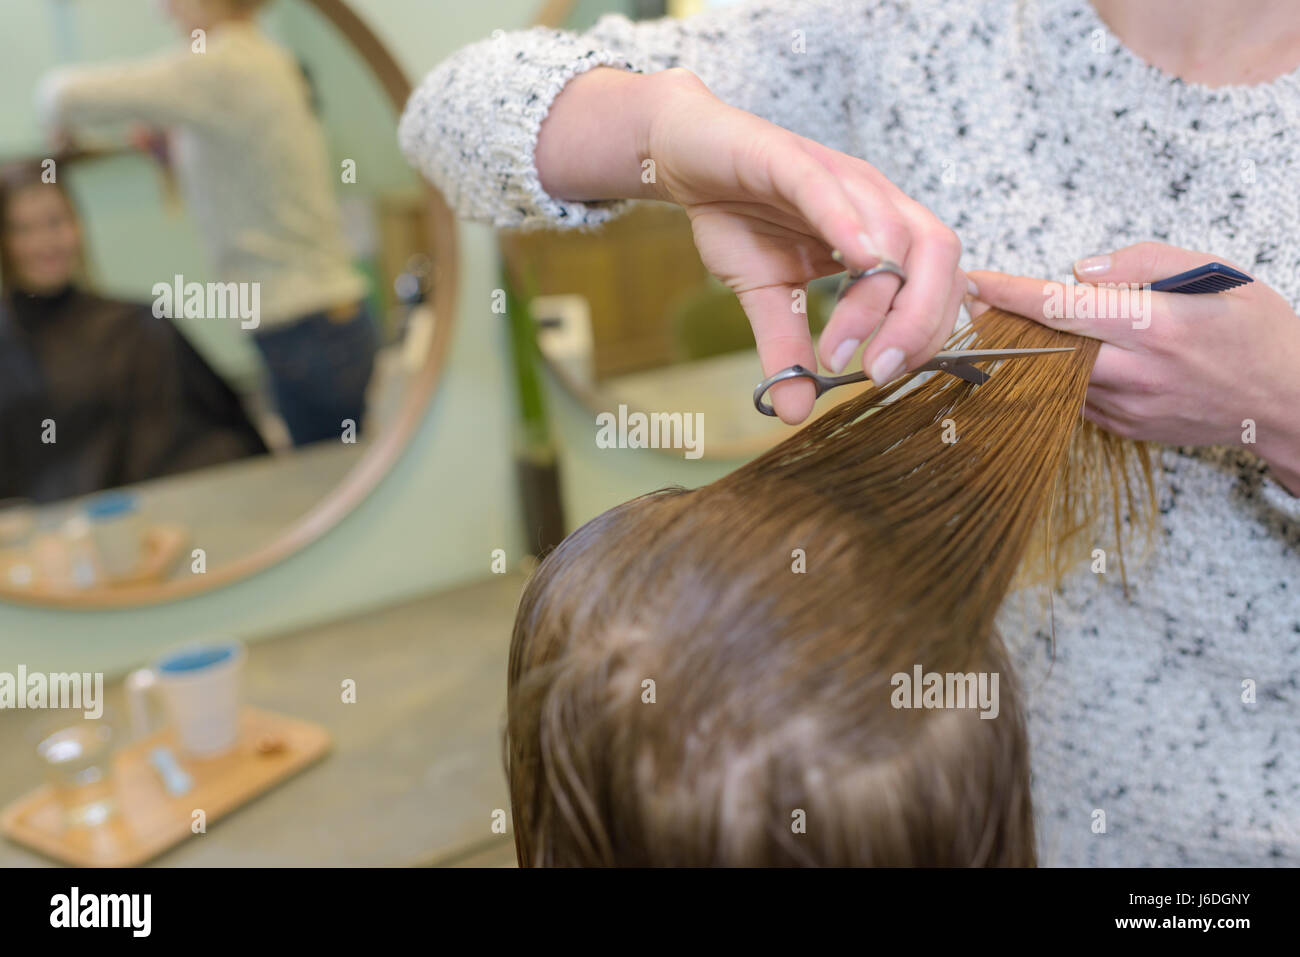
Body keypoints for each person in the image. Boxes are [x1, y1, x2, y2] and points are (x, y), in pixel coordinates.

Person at [401, 0, 1300, 865]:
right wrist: (654, 134)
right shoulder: (909, 23)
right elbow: (447, 113)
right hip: (943, 808)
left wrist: (1283, 400)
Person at [37, 0, 376, 447]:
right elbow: (245, 164)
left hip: (305, 327)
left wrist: (56, 119)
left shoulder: (222, 64)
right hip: (316, 321)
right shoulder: (265, 58)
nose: (165, 12)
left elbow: (61, 92)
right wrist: (169, 148)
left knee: (332, 476)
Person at [0, 163, 267, 504]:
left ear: (77, 225)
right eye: (23, 229)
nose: (45, 242)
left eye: (56, 222)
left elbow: (214, 440)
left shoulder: (140, 326)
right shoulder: (8, 342)